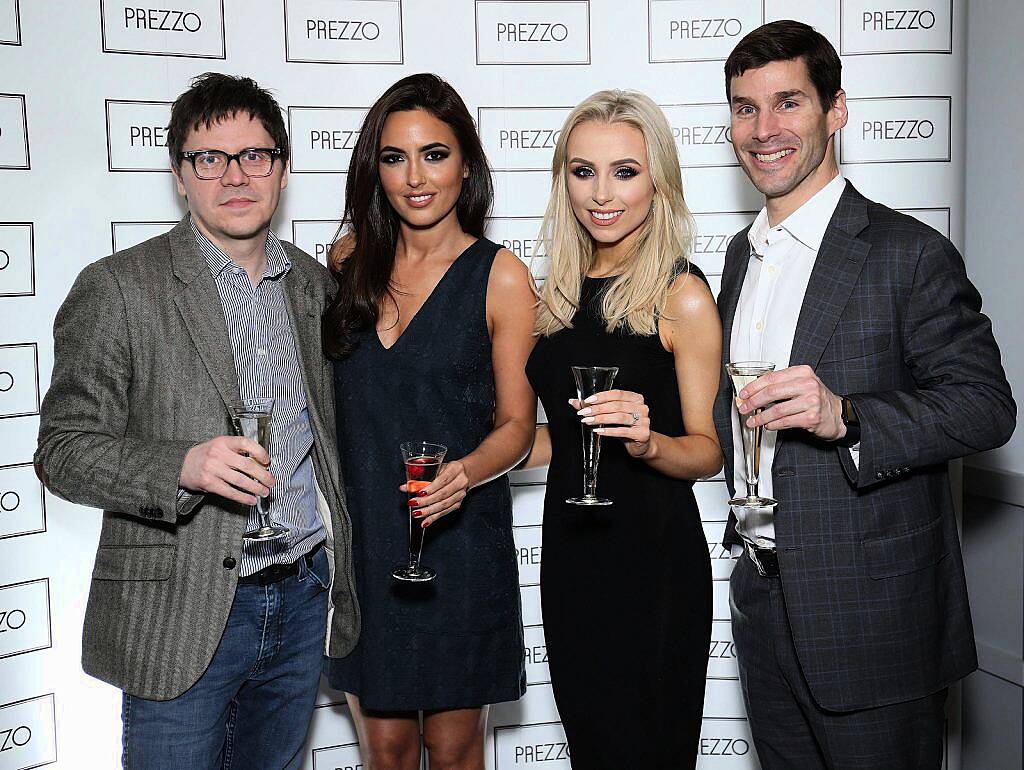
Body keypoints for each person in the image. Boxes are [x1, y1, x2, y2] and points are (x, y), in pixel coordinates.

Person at [34, 73, 359, 769]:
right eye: (209, 159)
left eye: (254, 156)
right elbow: (62, 450)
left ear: (282, 167)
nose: (234, 176)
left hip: (303, 598)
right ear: (181, 174)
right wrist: (180, 466)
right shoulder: (119, 288)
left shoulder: (316, 288)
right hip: (180, 609)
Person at [716, 20, 1016, 770]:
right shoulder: (737, 255)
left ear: (836, 110)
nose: (764, 129)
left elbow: (986, 406)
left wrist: (846, 415)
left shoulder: (906, 251)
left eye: (788, 103)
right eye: (745, 108)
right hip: (762, 603)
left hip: (872, 618)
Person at [321, 73, 535, 770]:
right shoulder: (349, 263)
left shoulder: (500, 276)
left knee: (452, 749)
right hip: (369, 543)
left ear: (465, 163)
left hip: (458, 540)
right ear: (374, 168)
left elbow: (517, 427)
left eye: (434, 155)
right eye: (395, 157)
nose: (416, 177)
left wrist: (464, 475)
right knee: (383, 750)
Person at [522, 90, 723, 769]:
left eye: (625, 171)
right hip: (573, 557)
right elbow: (557, 436)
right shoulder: (554, 298)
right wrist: (486, 452)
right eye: (583, 171)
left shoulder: (680, 294)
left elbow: (707, 452)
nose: (601, 193)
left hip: (653, 565)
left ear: (657, 181)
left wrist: (646, 441)